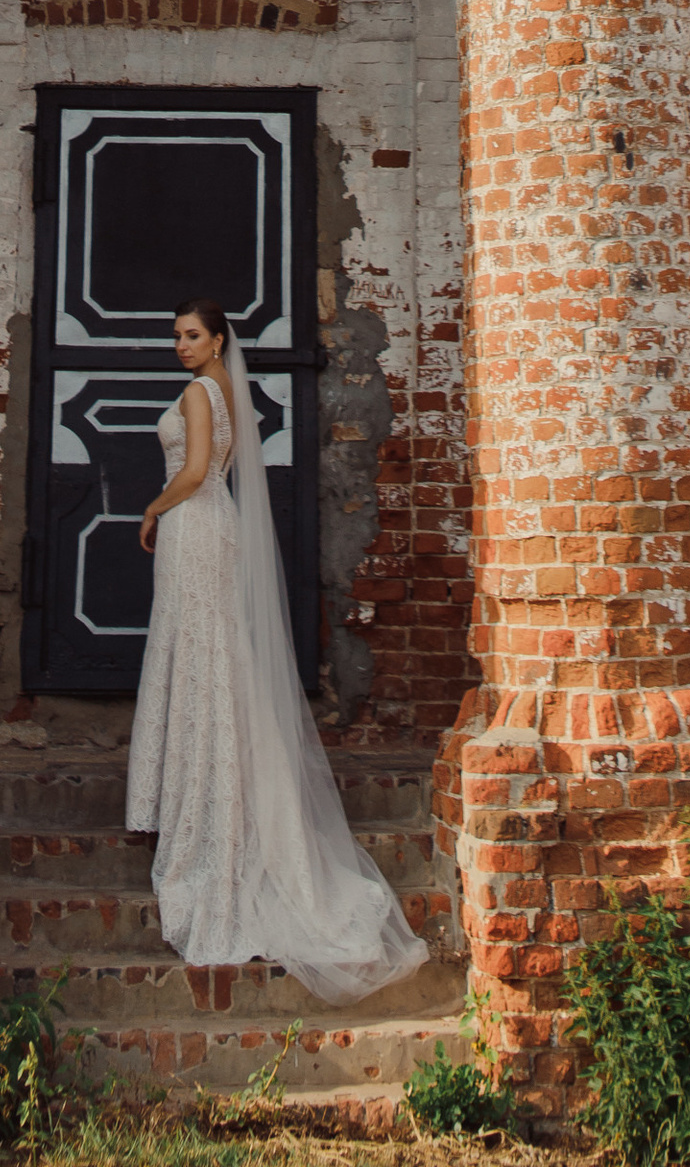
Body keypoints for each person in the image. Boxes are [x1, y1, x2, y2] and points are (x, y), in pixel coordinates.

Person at [129, 294, 423, 1006]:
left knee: (201, 659)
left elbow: (196, 471)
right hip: (210, 530)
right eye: (176, 335)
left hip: (196, 526)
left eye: (192, 334)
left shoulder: (201, 391)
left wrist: (152, 508)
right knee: (212, 662)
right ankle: (210, 791)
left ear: (218, 338)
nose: (181, 345)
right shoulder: (227, 388)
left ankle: (210, 816)